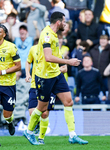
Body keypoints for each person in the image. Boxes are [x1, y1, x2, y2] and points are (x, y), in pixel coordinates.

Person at [23, 11, 88, 145]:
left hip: (56, 74)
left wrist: (62, 64)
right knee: (42, 108)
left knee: (68, 101)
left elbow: (55, 55)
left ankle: (72, 135)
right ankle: (29, 132)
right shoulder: (47, 35)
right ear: (58, 22)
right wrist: (68, 62)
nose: (65, 24)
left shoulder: (54, 34)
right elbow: (48, 57)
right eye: (64, 22)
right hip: (45, 76)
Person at [25, 40, 68, 144]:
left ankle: (41, 138)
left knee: (44, 113)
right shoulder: (33, 49)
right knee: (32, 113)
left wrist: (53, 72)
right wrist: (27, 73)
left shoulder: (56, 51)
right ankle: (36, 127)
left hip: (50, 85)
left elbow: (64, 68)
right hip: (35, 85)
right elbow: (28, 61)